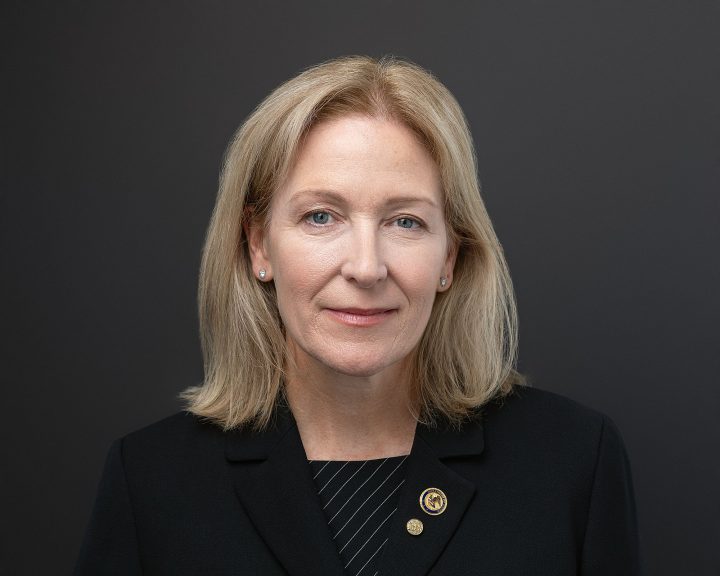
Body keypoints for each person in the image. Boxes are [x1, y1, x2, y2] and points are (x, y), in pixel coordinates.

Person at [75, 55, 641, 575]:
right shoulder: (150, 481)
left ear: (450, 256)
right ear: (258, 246)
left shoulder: (572, 462)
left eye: (406, 222)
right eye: (322, 217)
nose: (366, 268)